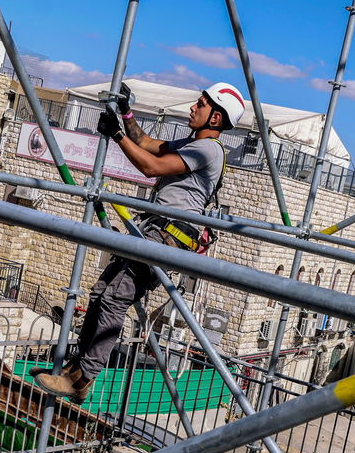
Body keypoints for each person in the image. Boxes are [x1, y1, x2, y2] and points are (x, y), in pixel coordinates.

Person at [33, 82, 244, 401]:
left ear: (215, 118)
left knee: (116, 298)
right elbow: (146, 142)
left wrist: (116, 135)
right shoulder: (191, 142)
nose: (193, 107)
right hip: (155, 230)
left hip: (168, 237)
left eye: (200, 104)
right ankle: (74, 369)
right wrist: (126, 113)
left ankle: (84, 378)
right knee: (102, 294)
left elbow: (151, 166)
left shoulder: (207, 149)